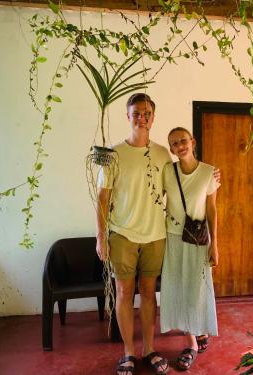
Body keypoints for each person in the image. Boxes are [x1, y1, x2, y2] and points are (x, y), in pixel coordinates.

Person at [96, 93, 171, 375]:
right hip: (122, 234)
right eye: (136, 113)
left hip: (155, 235)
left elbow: (173, 191)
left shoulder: (163, 153)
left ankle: (149, 349)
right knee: (124, 293)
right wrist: (100, 236)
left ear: (153, 117)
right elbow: (102, 198)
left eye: (147, 112)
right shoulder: (114, 154)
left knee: (149, 294)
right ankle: (128, 352)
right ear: (128, 117)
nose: (142, 117)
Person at [160, 127, 220, 371]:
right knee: (179, 287)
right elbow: (155, 197)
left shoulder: (208, 172)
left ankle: (199, 329)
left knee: (197, 288)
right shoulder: (167, 171)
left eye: (183, 141)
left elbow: (212, 209)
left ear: (192, 142)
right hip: (173, 237)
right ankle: (191, 343)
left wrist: (215, 243)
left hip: (197, 240)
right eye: (174, 144)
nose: (179, 146)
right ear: (171, 149)